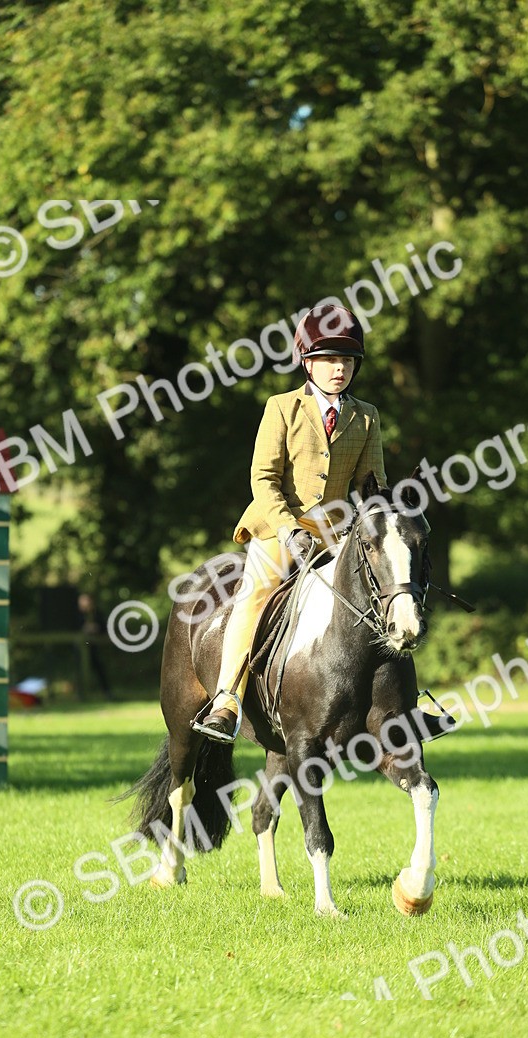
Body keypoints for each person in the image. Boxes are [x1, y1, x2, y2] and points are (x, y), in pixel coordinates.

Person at [190, 303, 387, 743]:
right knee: (256, 594)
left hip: (336, 532)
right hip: (280, 526)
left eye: (348, 361)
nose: (340, 369)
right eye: (331, 360)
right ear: (308, 363)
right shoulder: (281, 408)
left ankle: (400, 705)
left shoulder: (367, 415)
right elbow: (263, 479)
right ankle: (227, 699)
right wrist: (288, 529)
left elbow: (371, 485)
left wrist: (377, 524)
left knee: (386, 592)